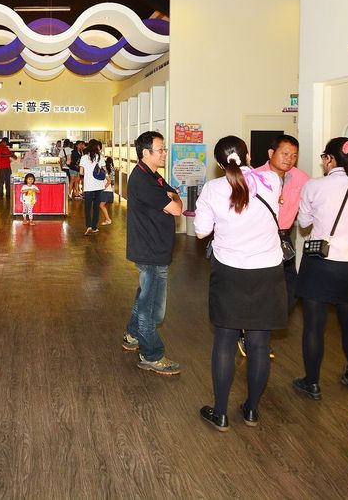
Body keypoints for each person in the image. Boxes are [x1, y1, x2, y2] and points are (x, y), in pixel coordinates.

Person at [193, 136, 287, 431]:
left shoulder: (213, 188)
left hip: (230, 272)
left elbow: (201, 232)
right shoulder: (272, 180)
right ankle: (251, 411)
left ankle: (220, 413)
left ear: (219, 164)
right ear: (248, 156)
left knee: (224, 341)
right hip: (267, 272)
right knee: (259, 344)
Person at [292, 137, 348, 401]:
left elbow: (304, 223)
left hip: (319, 264)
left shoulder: (314, 186)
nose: (323, 162)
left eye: (324, 157)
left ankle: (311, 383)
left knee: (313, 326)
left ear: (330, 159)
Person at [237, 134, 311, 359]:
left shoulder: (301, 179)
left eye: (294, 155)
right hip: (258, 237)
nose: (289, 159)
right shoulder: (254, 177)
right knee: (259, 289)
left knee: (291, 290)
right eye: (285, 153)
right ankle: (252, 336)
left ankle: (257, 332)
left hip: (283, 238)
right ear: (271, 153)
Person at [122, 131, 183, 375]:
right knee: (152, 309)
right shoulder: (143, 180)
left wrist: (172, 197)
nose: (164, 153)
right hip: (151, 250)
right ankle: (151, 355)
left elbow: (173, 197)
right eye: (160, 150)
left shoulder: (152, 175)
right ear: (146, 153)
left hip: (155, 248)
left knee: (145, 297)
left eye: (164, 149)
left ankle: (132, 334)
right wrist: (172, 199)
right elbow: (177, 208)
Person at [79, 139, 105, 235]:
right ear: (96, 147)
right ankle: (94, 227)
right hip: (99, 185)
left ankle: (89, 226)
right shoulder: (100, 157)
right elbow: (104, 170)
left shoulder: (84, 158)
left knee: (88, 207)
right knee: (96, 207)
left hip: (88, 185)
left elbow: (81, 172)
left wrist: (87, 174)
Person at [99, 156, 115, 225]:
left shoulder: (105, 173)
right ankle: (107, 219)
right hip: (107, 191)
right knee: (102, 205)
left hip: (107, 191)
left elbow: (109, 181)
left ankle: (108, 219)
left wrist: (103, 188)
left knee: (101, 205)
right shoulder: (105, 172)